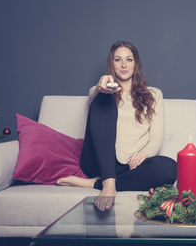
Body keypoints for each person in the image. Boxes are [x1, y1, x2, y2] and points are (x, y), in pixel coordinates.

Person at [57, 41, 177, 210]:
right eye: (118, 59)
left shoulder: (154, 94)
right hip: (99, 161)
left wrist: (144, 154)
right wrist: (102, 88)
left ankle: (99, 184)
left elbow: (157, 137)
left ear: (136, 63)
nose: (123, 65)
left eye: (129, 59)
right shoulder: (100, 91)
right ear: (111, 64)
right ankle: (108, 181)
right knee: (103, 99)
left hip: (131, 167)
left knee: (170, 168)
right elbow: (93, 94)